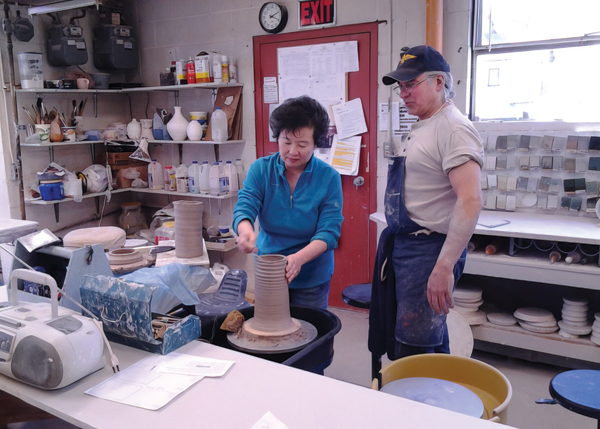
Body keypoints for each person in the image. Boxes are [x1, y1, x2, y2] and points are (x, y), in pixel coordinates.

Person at [368, 45, 484, 360]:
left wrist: (444, 266)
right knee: (419, 338)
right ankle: (425, 398)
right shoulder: (425, 124)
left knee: (415, 345)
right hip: (406, 247)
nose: (404, 93)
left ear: (438, 82)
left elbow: (470, 200)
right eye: (401, 87)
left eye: (411, 84)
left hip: (429, 252)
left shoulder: (454, 128)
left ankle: (417, 405)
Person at [232, 95, 344, 310]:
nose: (293, 151)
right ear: (277, 138)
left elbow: (329, 232)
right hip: (269, 270)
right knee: (271, 336)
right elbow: (245, 205)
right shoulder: (261, 169)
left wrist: (299, 259)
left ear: (315, 143)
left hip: (311, 274)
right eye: (286, 142)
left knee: (311, 336)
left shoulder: (328, 177)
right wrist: (245, 231)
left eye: (302, 144)